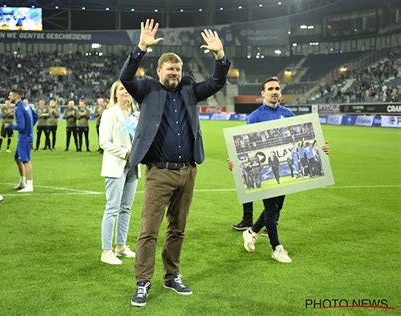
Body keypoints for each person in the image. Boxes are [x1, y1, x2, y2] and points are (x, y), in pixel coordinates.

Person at [120, 19, 230, 307]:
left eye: (178, 69)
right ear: (159, 72)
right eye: (169, 69)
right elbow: (126, 78)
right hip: (159, 173)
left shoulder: (190, 90)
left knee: (178, 229)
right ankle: (143, 283)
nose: (174, 73)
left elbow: (218, 81)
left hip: (188, 172)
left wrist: (220, 56)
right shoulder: (146, 89)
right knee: (149, 231)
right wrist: (141, 48)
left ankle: (172, 276)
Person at [241, 77, 330, 263]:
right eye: (270, 89)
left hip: (285, 169)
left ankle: (252, 232)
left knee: (276, 208)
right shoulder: (254, 117)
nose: (274, 91)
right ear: (263, 93)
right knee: (271, 211)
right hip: (266, 170)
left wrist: (319, 149)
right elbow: (246, 147)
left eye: (277, 88)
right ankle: (277, 248)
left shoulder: (288, 114)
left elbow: (298, 142)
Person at [99, 80, 140, 265]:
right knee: (112, 208)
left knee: (126, 208)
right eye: (121, 89)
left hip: (132, 167)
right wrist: (125, 153)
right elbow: (104, 142)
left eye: (127, 88)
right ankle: (106, 251)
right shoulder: (109, 114)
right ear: (115, 94)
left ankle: (121, 246)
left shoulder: (134, 114)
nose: (125, 91)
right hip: (116, 165)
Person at [4, 89, 38, 193]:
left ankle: (30, 185)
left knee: (26, 161)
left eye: (10, 96)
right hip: (26, 136)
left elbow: (21, 126)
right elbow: (35, 116)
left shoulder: (19, 108)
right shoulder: (25, 105)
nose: (9, 98)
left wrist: (9, 125)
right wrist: (30, 127)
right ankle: (23, 181)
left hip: (24, 138)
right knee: (17, 158)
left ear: (16, 96)